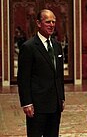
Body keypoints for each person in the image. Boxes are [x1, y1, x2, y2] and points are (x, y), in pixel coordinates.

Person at [17, 9, 65, 137]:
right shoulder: (29, 47)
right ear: (38, 23)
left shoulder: (56, 45)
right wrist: (27, 102)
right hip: (37, 105)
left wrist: (61, 98)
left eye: (53, 22)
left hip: (55, 105)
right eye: (48, 22)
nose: (51, 25)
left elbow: (58, 75)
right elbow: (23, 78)